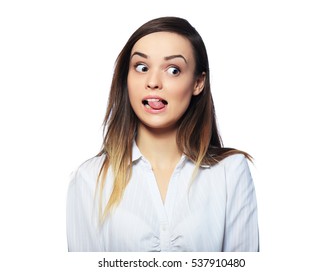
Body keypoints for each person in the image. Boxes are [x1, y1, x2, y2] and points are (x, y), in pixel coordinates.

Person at [66, 16, 259, 252]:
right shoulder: (89, 179)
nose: (153, 82)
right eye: (142, 67)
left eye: (173, 70)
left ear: (198, 83)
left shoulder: (231, 172)